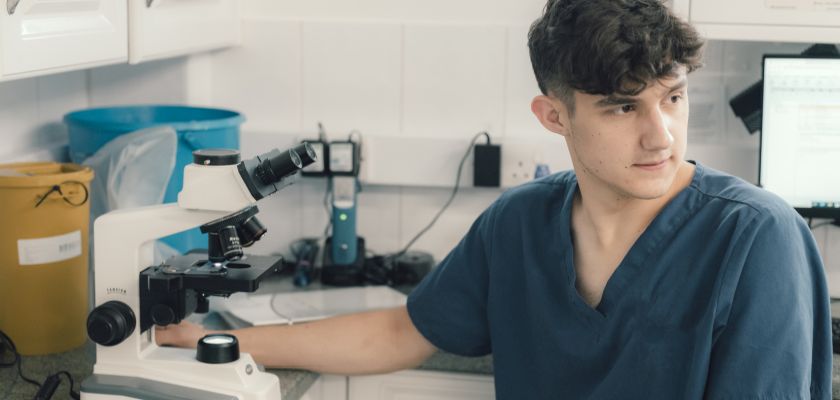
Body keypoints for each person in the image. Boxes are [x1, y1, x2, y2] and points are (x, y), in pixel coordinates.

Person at [157, 0, 833, 398]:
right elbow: (403, 331)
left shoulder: (756, 238)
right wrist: (229, 339)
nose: (660, 134)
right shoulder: (520, 223)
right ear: (554, 116)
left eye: (673, 98)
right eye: (623, 108)